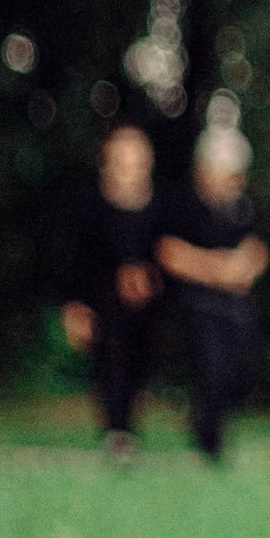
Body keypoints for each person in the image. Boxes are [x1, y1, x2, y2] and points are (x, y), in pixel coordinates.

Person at [157, 119, 270, 465]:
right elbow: (170, 253)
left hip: (236, 304)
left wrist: (245, 267)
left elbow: (257, 249)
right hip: (195, 304)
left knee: (237, 372)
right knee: (211, 369)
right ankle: (208, 443)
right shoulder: (181, 203)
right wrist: (218, 269)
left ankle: (209, 430)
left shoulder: (242, 207)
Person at [60, 122, 164, 459]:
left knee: (140, 361)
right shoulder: (89, 203)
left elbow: (167, 252)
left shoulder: (160, 205)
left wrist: (148, 279)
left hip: (150, 302)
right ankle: (116, 430)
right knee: (111, 358)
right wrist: (74, 306)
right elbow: (74, 258)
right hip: (102, 300)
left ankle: (129, 426)